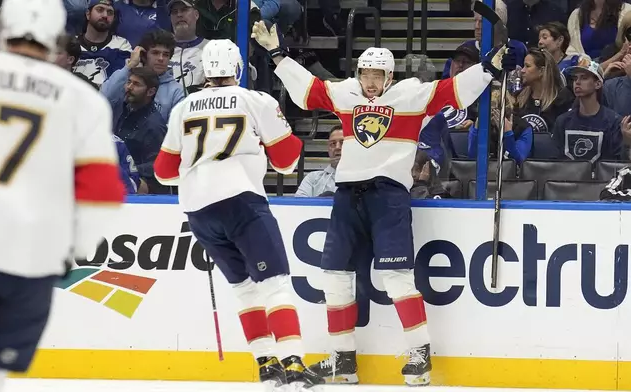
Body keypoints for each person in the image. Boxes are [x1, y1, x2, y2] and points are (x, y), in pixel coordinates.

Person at [252, 21, 515, 386]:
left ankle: (419, 354)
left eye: (377, 75)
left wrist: (488, 68)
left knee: (396, 277)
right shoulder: (346, 93)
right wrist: (278, 55)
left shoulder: (411, 95)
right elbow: (309, 90)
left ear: (390, 76)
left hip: (389, 197)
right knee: (335, 277)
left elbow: (454, 91)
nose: (370, 81)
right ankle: (343, 360)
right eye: (365, 73)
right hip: (346, 196)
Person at [153, 39, 324, 391]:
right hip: (241, 201)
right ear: (239, 68)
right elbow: (287, 162)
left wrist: (198, 164)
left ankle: (266, 365)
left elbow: (163, 172)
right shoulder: (255, 100)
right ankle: (293, 364)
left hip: (199, 211)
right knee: (274, 284)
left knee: (244, 288)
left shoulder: (183, 106)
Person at [0, 0, 126, 390]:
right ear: (56, 37)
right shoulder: (82, 99)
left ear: (2, 28)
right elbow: (101, 191)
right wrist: (69, 249)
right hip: (29, 258)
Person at [74, 0, 132, 87]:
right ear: (88, 14)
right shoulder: (71, 42)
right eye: (100, 10)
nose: (105, 15)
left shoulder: (121, 45)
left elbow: (119, 83)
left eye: (110, 12)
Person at [295, 124, 343, 197]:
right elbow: (300, 205)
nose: (337, 147)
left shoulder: (362, 180)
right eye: (333, 143)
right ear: (328, 148)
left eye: (342, 143)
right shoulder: (312, 178)